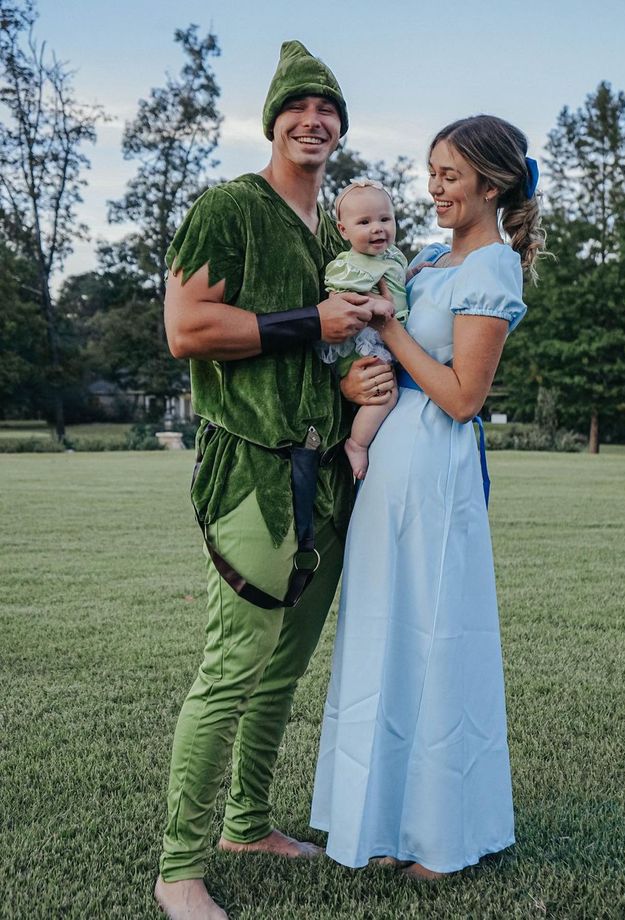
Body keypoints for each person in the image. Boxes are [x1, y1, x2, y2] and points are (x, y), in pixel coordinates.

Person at [154, 40, 394, 920]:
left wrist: (347, 380)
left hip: (327, 475)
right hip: (252, 475)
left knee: (284, 670)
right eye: (299, 107)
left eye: (328, 110)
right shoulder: (230, 208)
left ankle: (248, 823)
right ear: (273, 120)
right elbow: (187, 327)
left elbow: (331, 344)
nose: (314, 120)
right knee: (231, 666)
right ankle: (179, 868)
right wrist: (311, 321)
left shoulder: (334, 231)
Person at [311, 114, 545, 879]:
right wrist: (355, 373)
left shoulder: (492, 269)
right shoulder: (422, 256)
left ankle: (442, 840)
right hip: (389, 467)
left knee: (436, 637)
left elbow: (463, 396)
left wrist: (389, 323)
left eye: (449, 174)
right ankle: (380, 824)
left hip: (437, 472)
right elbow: (371, 348)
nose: (435, 187)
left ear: (491, 182)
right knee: (384, 633)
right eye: (431, 172)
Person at [317, 179, 408, 478]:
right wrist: (372, 306)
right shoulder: (350, 265)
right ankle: (357, 444)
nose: (377, 228)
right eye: (365, 222)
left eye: (385, 219)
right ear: (344, 230)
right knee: (386, 393)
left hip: (387, 337)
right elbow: (338, 302)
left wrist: (415, 274)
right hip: (361, 344)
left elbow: (397, 283)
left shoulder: (392, 256)